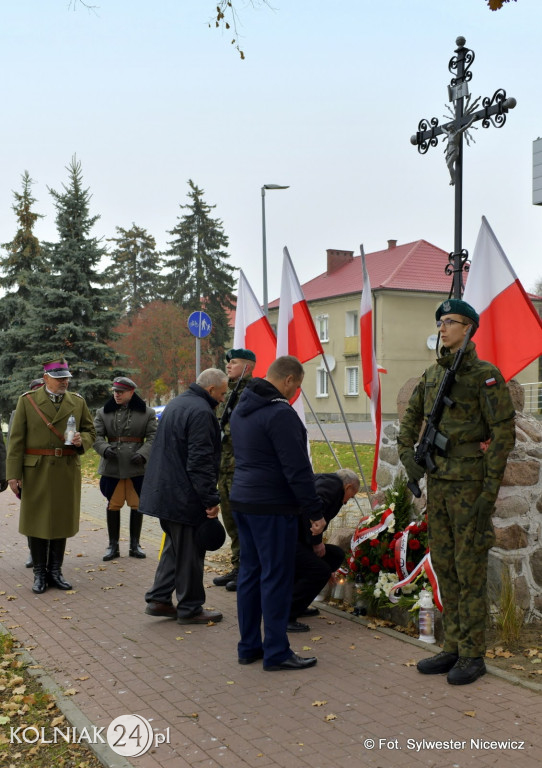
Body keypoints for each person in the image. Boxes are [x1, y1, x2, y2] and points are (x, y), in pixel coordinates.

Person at [398, 299, 515, 685]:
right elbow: (410, 418)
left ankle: (473, 654)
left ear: (468, 328)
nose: (442, 326)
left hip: (470, 486)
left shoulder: (485, 375)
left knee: (470, 571)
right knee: (445, 567)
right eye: (440, 321)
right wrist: (410, 460)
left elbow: (503, 435)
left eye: (450, 321)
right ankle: (451, 646)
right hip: (440, 485)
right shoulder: (432, 375)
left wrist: (488, 492)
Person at [230, 355, 326, 671]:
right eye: (296, 386)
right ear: (287, 380)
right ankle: (276, 652)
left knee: (250, 574)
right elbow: (297, 468)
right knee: (276, 578)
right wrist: (314, 512)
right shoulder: (279, 413)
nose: (295, 392)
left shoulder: (242, 408)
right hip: (272, 506)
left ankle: (248, 646)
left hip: (243, 501)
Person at [141, 368, 228, 624]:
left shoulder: (177, 403)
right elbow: (199, 461)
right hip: (184, 496)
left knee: (175, 548)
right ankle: (191, 608)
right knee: (190, 553)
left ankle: (159, 598)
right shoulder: (201, 412)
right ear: (211, 390)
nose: (223, 399)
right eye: (222, 393)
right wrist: (211, 500)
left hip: (166, 492)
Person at [6, 358, 96, 594]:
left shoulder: (77, 402)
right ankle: (39, 574)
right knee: (36, 522)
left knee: (61, 521)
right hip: (36, 469)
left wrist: (81, 441)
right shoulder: (28, 401)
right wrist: (13, 476)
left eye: (66, 378)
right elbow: (15, 441)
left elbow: (90, 430)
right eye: (59, 378)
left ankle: (55, 572)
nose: (64, 382)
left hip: (66, 468)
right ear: (46, 378)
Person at [93, 377, 157, 561]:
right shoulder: (103, 412)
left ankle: (134, 545)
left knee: (137, 505)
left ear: (131, 392)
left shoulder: (147, 413)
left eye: (120, 392)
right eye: (114, 391)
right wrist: (104, 449)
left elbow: (154, 436)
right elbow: (95, 436)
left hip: (137, 466)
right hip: (112, 466)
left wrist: (144, 454)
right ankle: (113, 546)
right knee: (113, 504)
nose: (116, 394)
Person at [288, 469, 359, 632]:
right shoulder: (331, 486)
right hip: (289, 540)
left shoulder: (328, 482)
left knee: (335, 555)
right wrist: (316, 543)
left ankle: (299, 603)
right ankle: (287, 613)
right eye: (352, 496)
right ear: (348, 487)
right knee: (320, 571)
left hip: (298, 538)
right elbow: (312, 512)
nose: (348, 501)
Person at [213, 348, 256, 592]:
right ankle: (237, 565)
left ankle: (246, 569)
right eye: (228, 362)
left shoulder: (250, 393)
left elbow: (246, 429)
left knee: (242, 522)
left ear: (247, 367)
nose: (228, 366)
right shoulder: (226, 393)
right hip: (223, 467)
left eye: (235, 362)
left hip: (240, 467)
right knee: (230, 520)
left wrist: (224, 433)